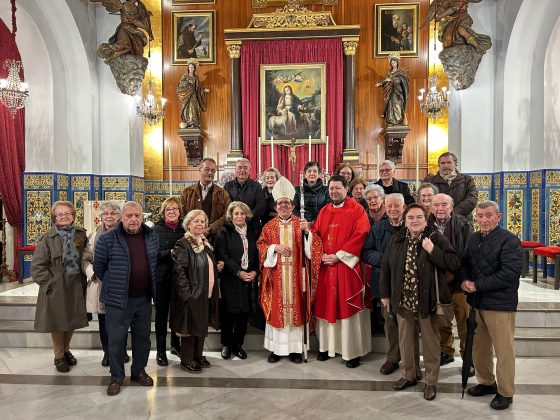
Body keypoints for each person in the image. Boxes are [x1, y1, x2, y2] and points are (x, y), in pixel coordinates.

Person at [380, 203, 460, 401]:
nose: (414, 221)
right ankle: (410, 374)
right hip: (403, 300)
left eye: (418, 217)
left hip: (428, 301)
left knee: (431, 344)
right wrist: (385, 295)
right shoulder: (397, 240)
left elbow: (453, 263)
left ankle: (431, 381)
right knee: (406, 341)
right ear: (405, 221)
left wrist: (433, 250)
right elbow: (386, 268)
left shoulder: (435, 238)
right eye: (410, 218)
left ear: (426, 220)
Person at [460, 200, 522, 410]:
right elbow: (465, 263)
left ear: (499, 216)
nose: (484, 220)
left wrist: (476, 285)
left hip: (500, 305)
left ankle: (505, 392)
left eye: (489, 215)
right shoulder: (474, 237)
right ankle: (486, 382)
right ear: (475, 218)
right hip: (477, 303)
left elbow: (509, 274)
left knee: (503, 351)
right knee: (480, 348)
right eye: (480, 216)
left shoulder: (509, 240)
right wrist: (464, 281)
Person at [93, 201, 159, 396]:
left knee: (143, 339)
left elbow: (153, 262)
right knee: (116, 340)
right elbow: (99, 268)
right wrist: (117, 285)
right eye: (129, 216)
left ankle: (139, 371)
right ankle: (116, 377)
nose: (133, 219)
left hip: (144, 299)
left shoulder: (150, 235)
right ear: (121, 217)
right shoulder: (107, 238)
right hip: (118, 301)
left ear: (142, 217)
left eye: (137, 216)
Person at [257, 177, 323, 363]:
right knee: (277, 309)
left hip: (297, 276)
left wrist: (308, 233)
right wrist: (274, 248)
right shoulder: (268, 227)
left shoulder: (300, 225)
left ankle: (295, 350)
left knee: (297, 310)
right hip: (276, 276)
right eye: (280, 203)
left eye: (287, 203)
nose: (283, 206)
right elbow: (261, 246)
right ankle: (276, 350)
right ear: (275, 206)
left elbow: (314, 249)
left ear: (293, 206)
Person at [314, 175, 372, 368]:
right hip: (326, 267)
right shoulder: (324, 210)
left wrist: (339, 256)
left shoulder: (357, 209)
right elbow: (317, 234)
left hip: (347, 267)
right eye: (331, 188)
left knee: (347, 307)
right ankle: (327, 347)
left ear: (346, 189)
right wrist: (319, 253)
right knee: (326, 305)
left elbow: (361, 234)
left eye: (338, 188)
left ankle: (351, 351)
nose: (334, 192)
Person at [362, 193, 420, 377]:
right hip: (385, 284)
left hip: (409, 285)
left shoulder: (412, 226)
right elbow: (366, 252)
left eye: (397, 206)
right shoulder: (378, 228)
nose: (393, 210)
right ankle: (393, 358)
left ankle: (412, 363)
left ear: (404, 207)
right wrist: (386, 260)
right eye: (390, 206)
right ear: (385, 208)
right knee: (390, 322)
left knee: (410, 325)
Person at [31, 201, 89, 373]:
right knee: (57, 322)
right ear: (54, 217)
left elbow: (85, 257)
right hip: (56, 287)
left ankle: (65, 349)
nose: (64, 216)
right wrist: (51, 284)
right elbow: (37, 267)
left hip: (75, 285)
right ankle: (58, 356)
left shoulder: (80, 235)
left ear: (73, 216)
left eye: (67, 213)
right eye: (60, 214)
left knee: (71, 320)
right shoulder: (47, 238)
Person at [427, 194, 473, 372]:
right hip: (437, 283)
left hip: (459, 281)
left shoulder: (463, 224)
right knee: (442, 321)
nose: (440, 208)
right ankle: (446, 351)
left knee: (464, 321)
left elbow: (467, 253)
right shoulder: (426, 225)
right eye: (436, 204)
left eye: (444, 204)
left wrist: (464, 278)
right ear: (430, 207)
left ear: (452, 207)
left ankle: (468, 358)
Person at [170, 210, 220, 373]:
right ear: (188, 224)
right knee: (189, 329)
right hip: (192, 294)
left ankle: (197, 356)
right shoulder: (183, 243)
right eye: (196, 221)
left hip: (206, 291)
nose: (200, 224)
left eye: (202, 221)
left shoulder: (204, 243)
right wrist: (187, 295)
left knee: (200, 326)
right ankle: (187, 360)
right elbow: (179, 272)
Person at [82, 201, 129, 367]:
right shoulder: (95, 236)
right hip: (101, 282)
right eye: (105, 214)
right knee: (104, 322)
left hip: (121, 283)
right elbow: (85, 258)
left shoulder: (126, 233)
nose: (109, 216)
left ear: (119, 216)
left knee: (121, 322)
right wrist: (93, 273)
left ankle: (121, 352)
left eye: (113, 213)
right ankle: (107, 353)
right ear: (101, 217)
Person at [214, 202, 258, 361]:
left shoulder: (253, 231)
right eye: (236, 214)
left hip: (248, 278)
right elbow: (222, 255)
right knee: (228, 313)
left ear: (246, 215)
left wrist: (254, 271)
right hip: (230, 278)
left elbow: (258, 253)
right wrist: (238, 272)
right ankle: (226, 345)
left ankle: (238, 345)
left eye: (242, 213)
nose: (239, 216)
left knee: (243, 314)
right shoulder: (224, 232)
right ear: (231, 216)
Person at [152, 197, 185, 367]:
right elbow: (151, 254)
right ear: (163, 212)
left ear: (180, 212)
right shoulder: (155, 230)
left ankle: (176, 345)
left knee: (177, 314)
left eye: (174, 209)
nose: (171, 212)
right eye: (168, 210)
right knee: (161, 316)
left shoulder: (184, 229)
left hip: (180, 280)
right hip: (162, 278)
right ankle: (160, 351)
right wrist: (169, 252)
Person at [181, 157, 230, 243]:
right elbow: (182, 213)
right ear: (200, 169)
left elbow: (227, 216)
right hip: (191, 238)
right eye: (206, 169)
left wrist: (210, 228)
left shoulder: (223, 193)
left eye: (213, 170)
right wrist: (194, 228)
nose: (210, 173)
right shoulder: (187, 192)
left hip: (215, 238)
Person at [424, 152, 478, 217]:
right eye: (443, 163)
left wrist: (452, 213)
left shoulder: (467, 180)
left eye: (449, 162)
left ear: (456, 164)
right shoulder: (430, 181)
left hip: (462, 221)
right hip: (436, 220)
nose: (446, 166)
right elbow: (425, 200)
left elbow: (472, 199)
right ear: (438, 165)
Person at [224, 158, 266, 235]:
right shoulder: (228, 185)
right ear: (235, 170)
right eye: (240, 167)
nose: (242, 170)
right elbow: (225, 205)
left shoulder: (256, 186)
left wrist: (246, 218)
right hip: (233, 225)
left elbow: (261, 205)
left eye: (245, 168)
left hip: (252, 226)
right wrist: (236, 219)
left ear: (249, 170)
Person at [375, 53, 409, 126]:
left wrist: (392, 80)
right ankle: (391, 120)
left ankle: (398, 120)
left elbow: (402, 81)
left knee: (397, 104)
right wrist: (380, 84)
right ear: (390, 64)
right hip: (390, 92)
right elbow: (385, 81)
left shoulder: (401, 73)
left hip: (398, 93)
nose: (393, 64)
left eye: (395, 62)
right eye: (392, 63)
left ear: (397, 63)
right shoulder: (389, 73)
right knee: (390, 104)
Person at [177, 59, 210, 129]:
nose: (191, 68)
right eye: (190, 67)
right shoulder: (185, 77)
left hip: (193, 96)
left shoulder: (196, 78)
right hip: (186, 96)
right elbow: (180, 86)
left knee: (194, 108)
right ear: (188, 68)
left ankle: (194, 123)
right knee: (187, 108)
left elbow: (197, 88)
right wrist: (188, 86)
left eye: (192, 67)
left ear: (194, 69)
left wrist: (203, 90)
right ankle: (187, 122)